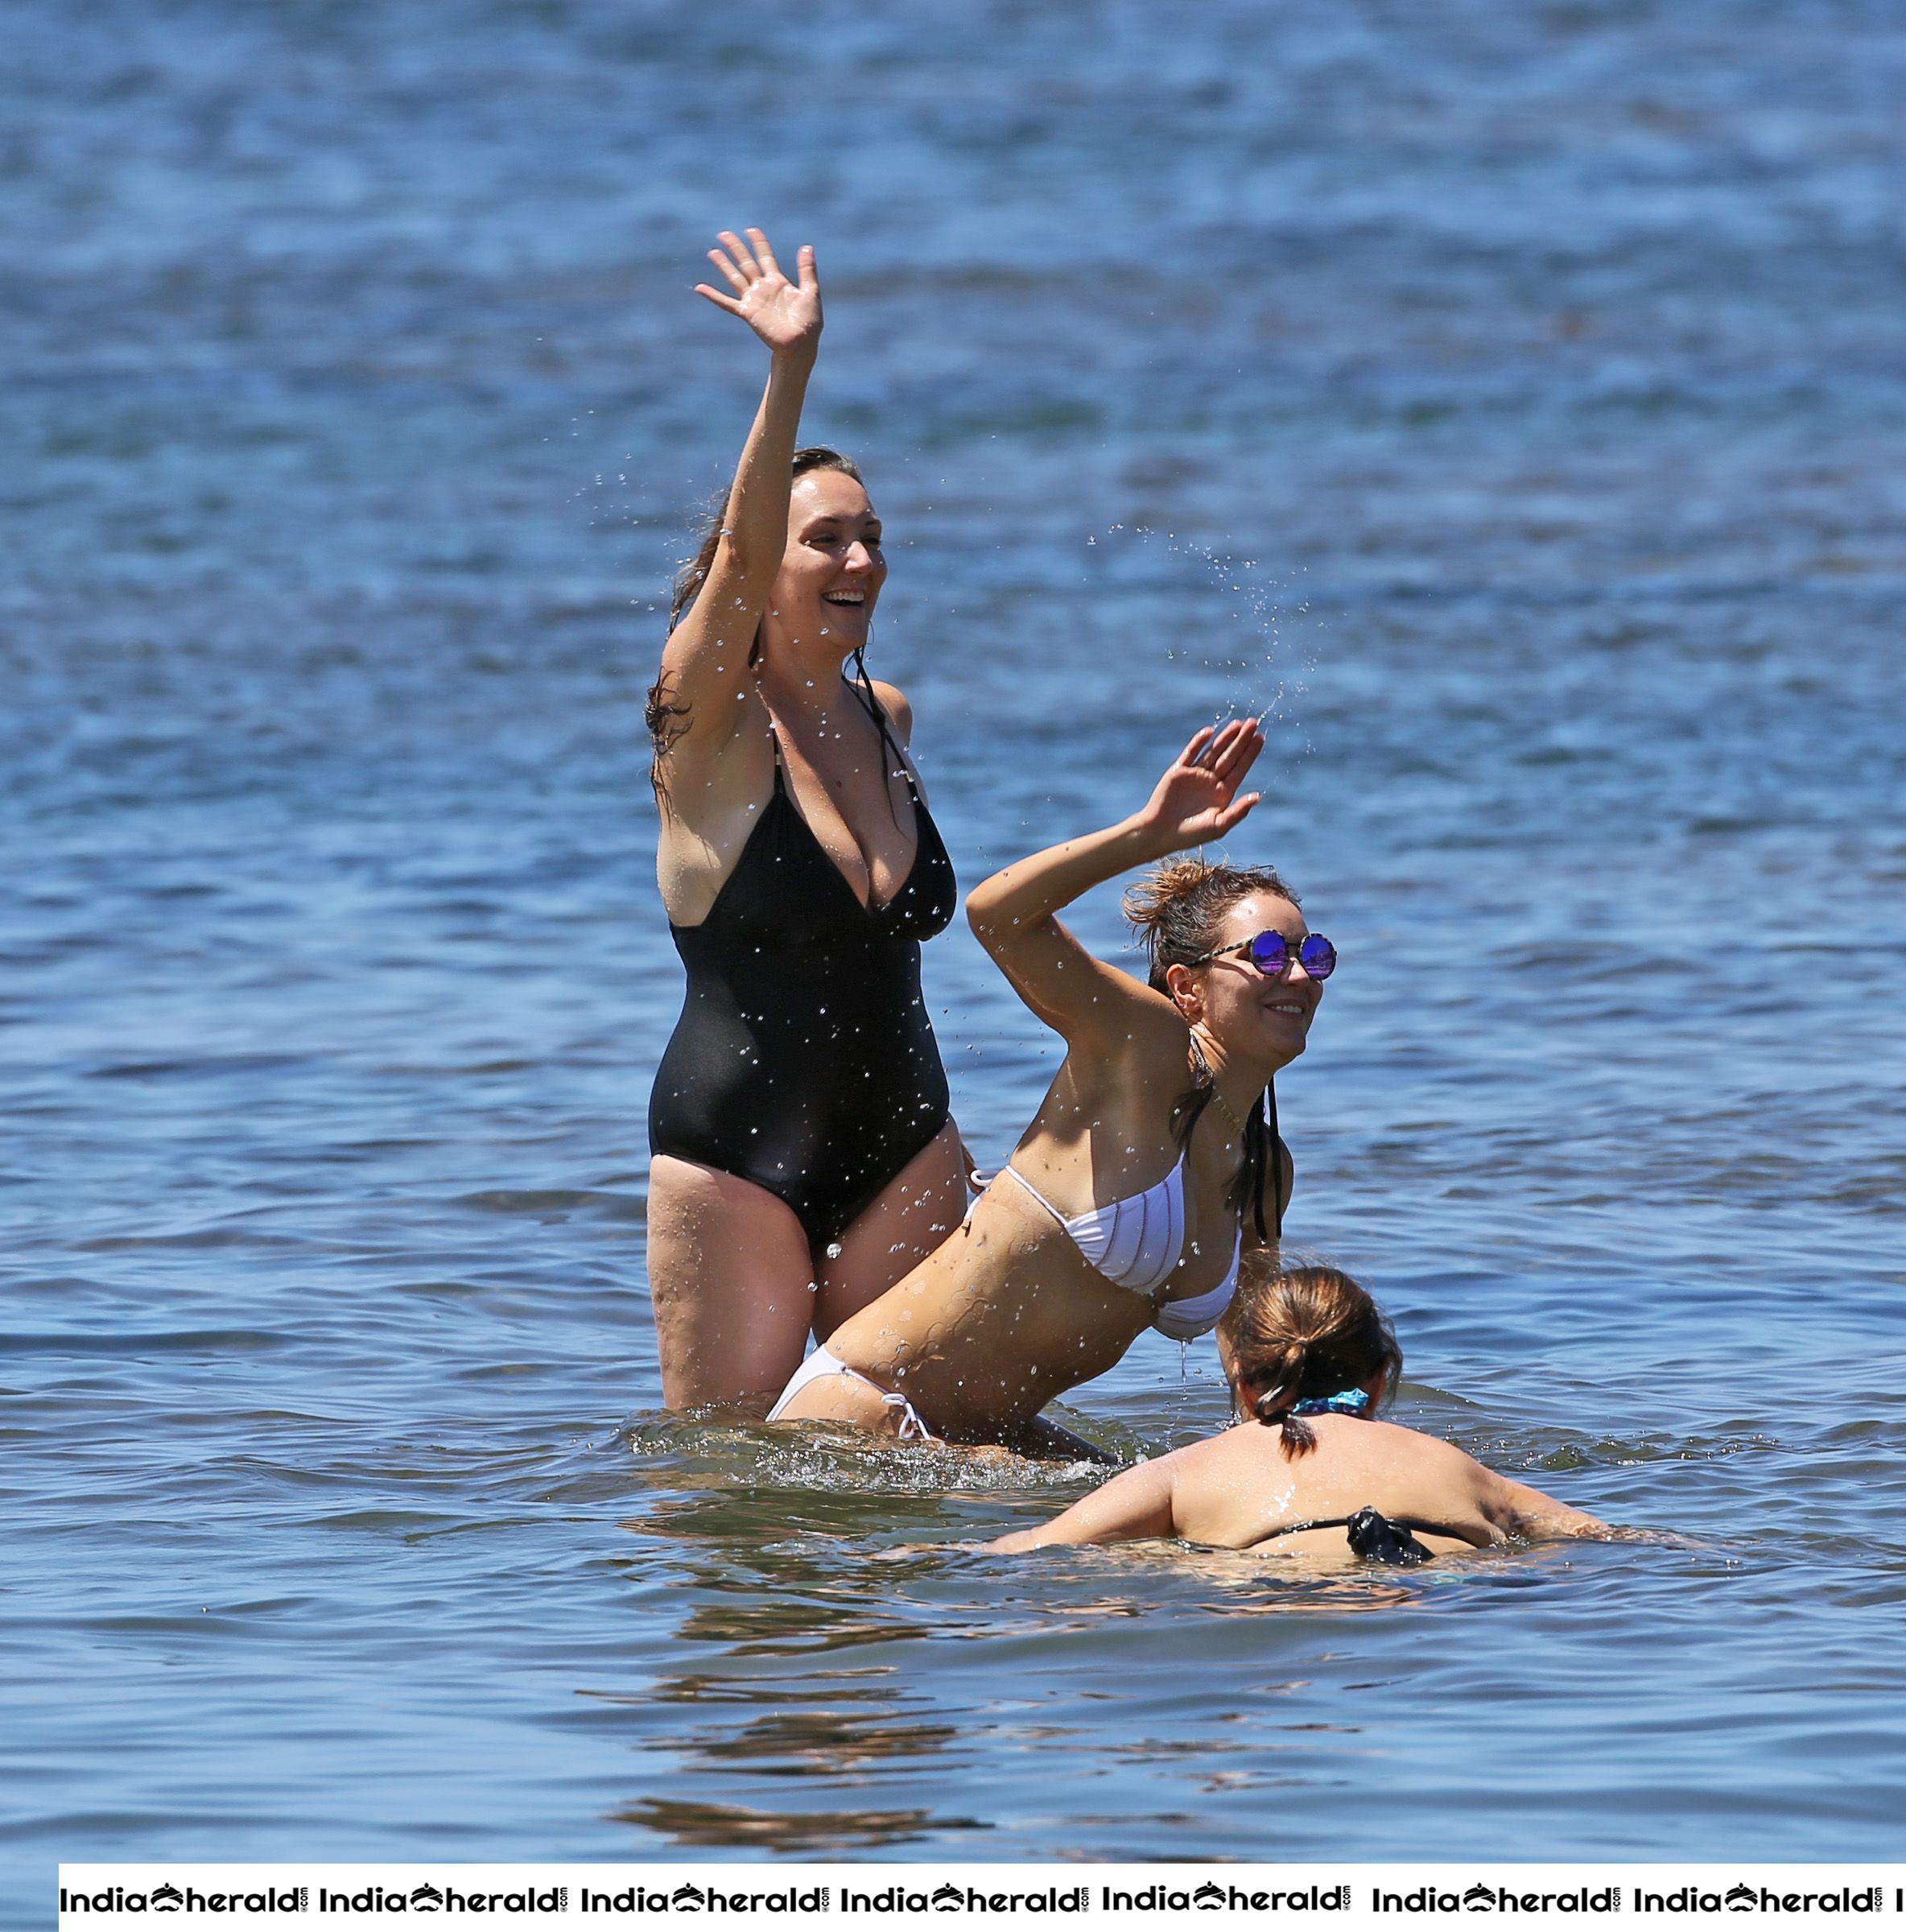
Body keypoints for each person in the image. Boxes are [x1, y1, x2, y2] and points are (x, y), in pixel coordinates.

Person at [769, 717, 1314, 1450]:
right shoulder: (1141, 1047)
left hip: (990, 1443)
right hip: (868, 1416)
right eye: (1271, 954)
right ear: (1186, 990)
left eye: (1314, 952)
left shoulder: (1263, 1171)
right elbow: (1000, 914)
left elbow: (1253, 1360)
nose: (1301, 974)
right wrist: (1146, 835)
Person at [646, 229, 970, 1414]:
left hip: (911, 1141)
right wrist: (792, 370)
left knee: (925, 1469)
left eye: (872, 534)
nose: (862, 557)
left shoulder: (886, 715)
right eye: (827, 536)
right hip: (738, 1160)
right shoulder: (706, 732)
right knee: (740, 1490)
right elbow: (734, 561)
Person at [989, 1265, 1607, 1559]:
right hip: (1444, 1588)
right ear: (1379, 1379)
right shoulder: (1457, 1467)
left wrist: (901, 1562)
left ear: (1244, 1385)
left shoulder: (1187, 1471)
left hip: (1277, 1576)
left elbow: (1035, 1549)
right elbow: (1602, 1537)